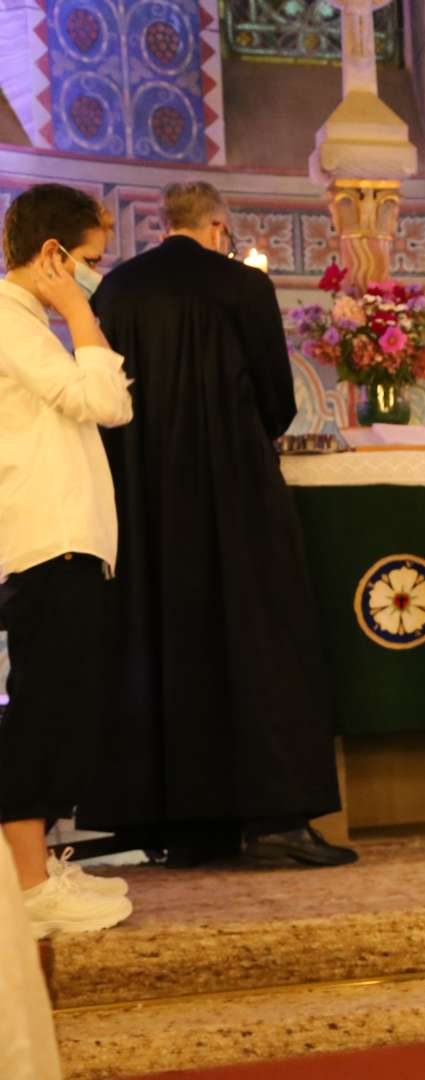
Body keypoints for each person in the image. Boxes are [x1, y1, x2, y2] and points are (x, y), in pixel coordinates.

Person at [78, 181, 355, 868]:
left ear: (165, 224)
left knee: (159, 637)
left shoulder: (115, 289)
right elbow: (276, 399)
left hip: (141, 495)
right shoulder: (242, 286)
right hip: (233, 489)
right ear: (217, 227)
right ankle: (275, 817)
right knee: (260, 632)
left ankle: (178, 825)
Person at [0, 183, 134, 936]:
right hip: (45, 541)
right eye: (89, 260)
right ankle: (24, 886)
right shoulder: (7, 318)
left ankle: (37, 869)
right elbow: (106, 403)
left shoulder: (25, 324)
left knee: (64, 709)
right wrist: (83, 316)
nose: (94, 274)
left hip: (68, 542)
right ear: (53, 255)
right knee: (42, 711)